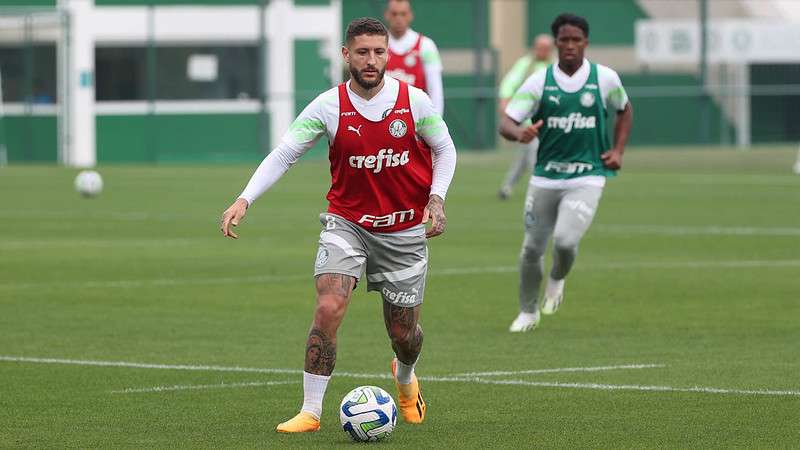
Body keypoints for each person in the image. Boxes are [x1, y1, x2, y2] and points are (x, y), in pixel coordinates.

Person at [220, 17, 457, 432]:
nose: (371, 60)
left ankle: (405, 378)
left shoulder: (414, 101)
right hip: (347, 223)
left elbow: (445, 148)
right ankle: (311, 411)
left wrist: (436, 198)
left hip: (403, 231)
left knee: (404, 333)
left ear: (388, 55)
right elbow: (284, 153)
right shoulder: (328, 106)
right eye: (362, 52)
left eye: (379, 52)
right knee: (329, 306)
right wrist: (245, 197)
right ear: (346, 54)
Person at [499, 13, 633, 332]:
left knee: (564, 241)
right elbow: (506, 122)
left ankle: (557, 278)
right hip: (545, 176)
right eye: (564, 40)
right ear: (556, 43)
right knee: (531, 249)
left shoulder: (605, 79)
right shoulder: (539, 82)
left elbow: (624, 109)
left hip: (587, 176)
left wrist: (618, 151)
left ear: (585, 42)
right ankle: (528, 312)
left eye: (576, 40)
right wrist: (520, 134)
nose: (570, 45)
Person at [497, 34, 554, 200]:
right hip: (528, 122)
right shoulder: (525, 64)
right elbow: (508, 85)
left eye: (545, 48)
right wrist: (506, 105)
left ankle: (506, 187)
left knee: (523, 160)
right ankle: (538, 192)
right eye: (539, 47)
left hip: (550, 122)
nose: (541, 51)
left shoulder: (555, 66)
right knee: (533, 156)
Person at [384, 0, 445, 116]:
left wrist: (436, 124)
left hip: (416, 118)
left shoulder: (426, 45)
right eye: (394, 14)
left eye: (403, 14)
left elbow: (435, 90)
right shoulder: (379, 45)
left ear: (410, 15)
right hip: (384, 118)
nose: (398, 18)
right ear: (387, 15)